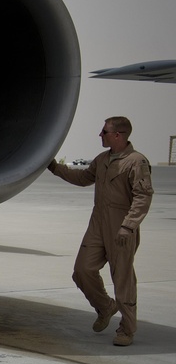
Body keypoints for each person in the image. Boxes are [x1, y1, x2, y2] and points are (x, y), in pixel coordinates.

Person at [47, 116, 153, 346]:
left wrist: (128, 226)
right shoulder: (102, 159)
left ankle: (126, 329)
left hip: (121, 226)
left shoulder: (136, 162)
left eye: (104, 132)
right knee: (82, 270)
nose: (100, 135)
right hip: (98, 223)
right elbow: (83, 178)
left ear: (118, 135)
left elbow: (143, 197)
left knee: (122, 279)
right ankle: (105, 307)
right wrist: (55, 168)